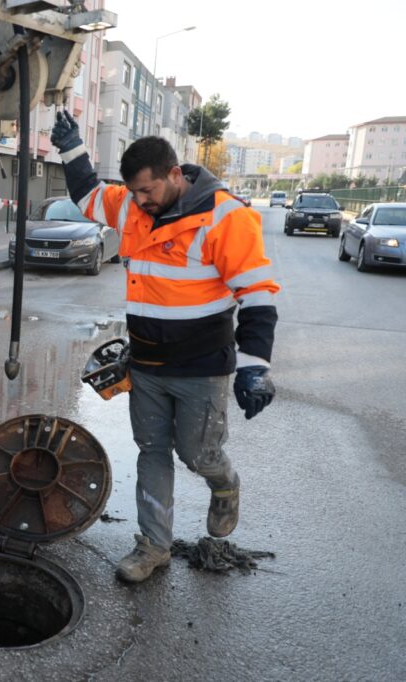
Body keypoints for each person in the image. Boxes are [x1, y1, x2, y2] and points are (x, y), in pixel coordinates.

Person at [51, 111, 280, 583]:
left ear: (175, 175)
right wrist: (72, 148)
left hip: (201, 369)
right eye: (133, 192)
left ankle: (225, 484)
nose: (138, 202)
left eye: (148, 191)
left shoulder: (225, 217)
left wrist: (255, 366)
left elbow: (257, 294)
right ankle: (154, 546)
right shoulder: (133, 207)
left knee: (198, 455)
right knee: (151, 451)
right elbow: (90, 194)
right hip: (148, 366)